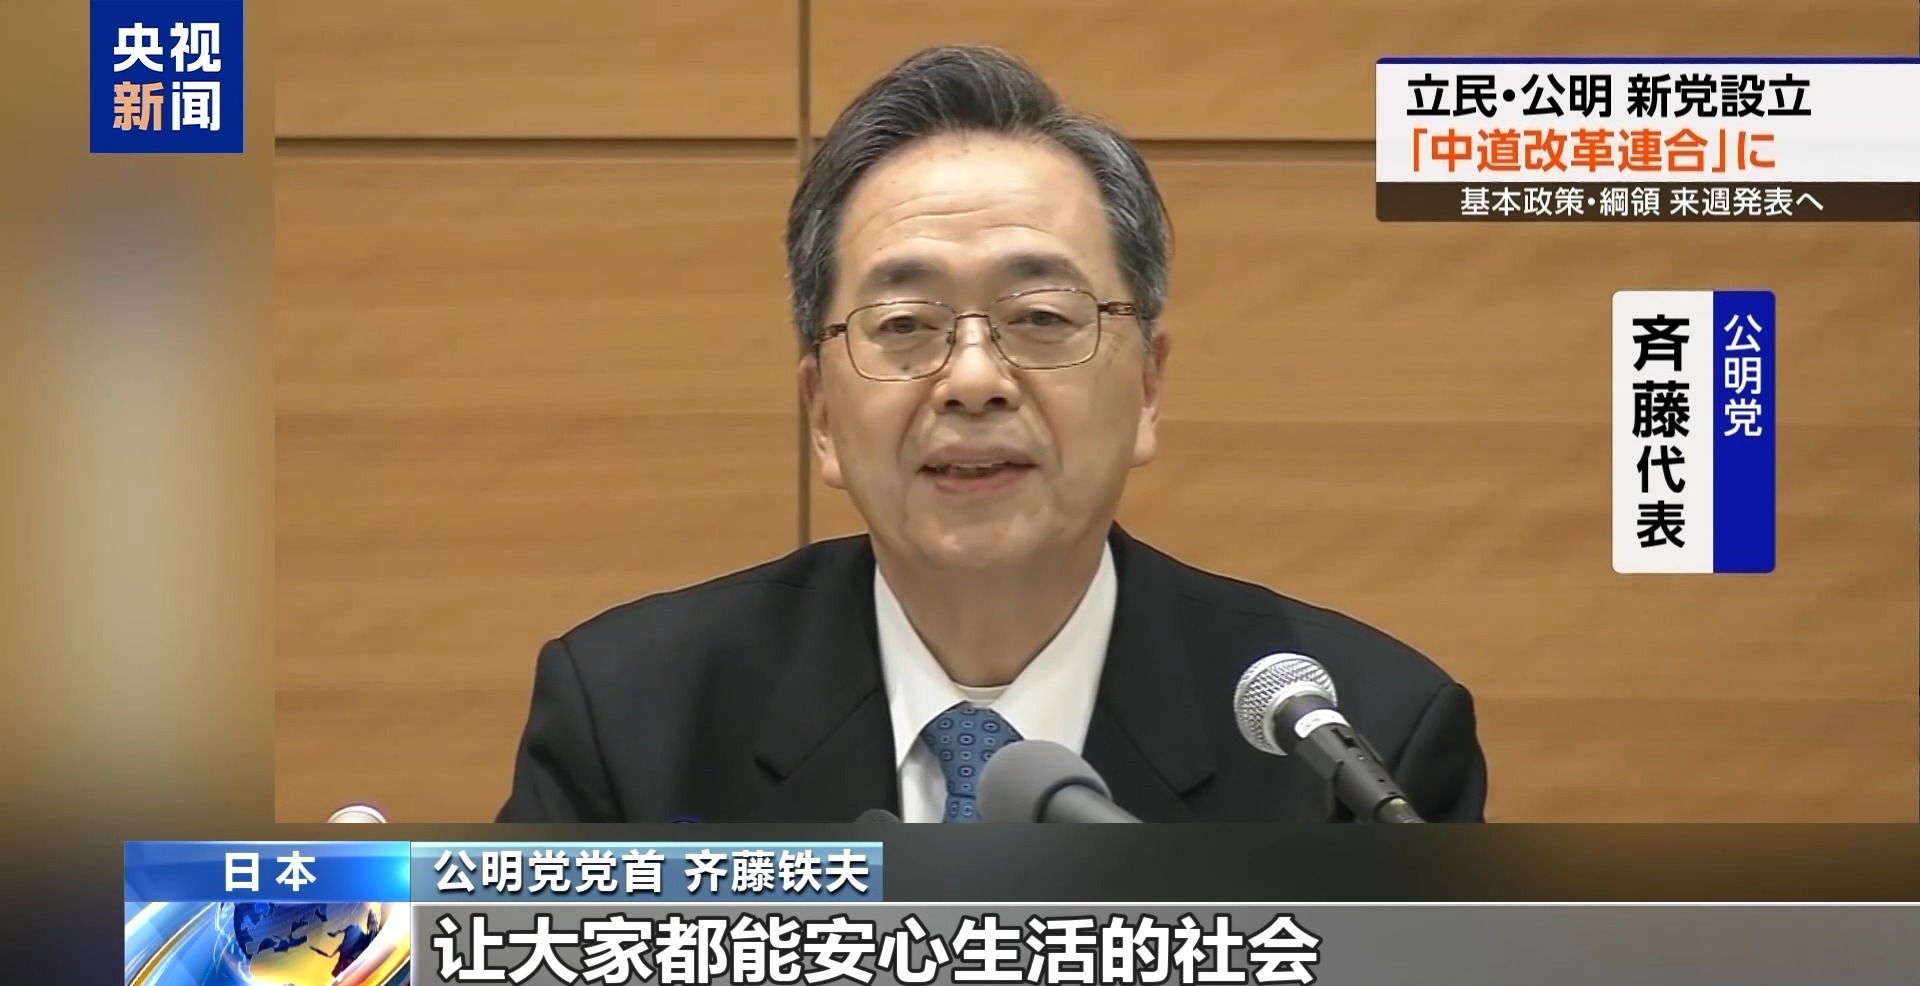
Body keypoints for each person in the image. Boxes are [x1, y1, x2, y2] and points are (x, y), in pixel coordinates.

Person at [497, 44, 1487, 824]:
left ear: (1147, 390)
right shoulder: (632, 723)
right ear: (822, 416)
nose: (973, 380)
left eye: (1041, 318)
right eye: (904, 326)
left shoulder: (1359, 753)